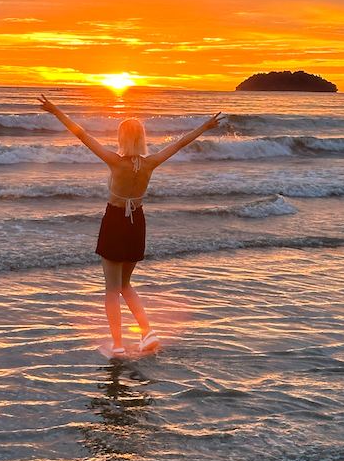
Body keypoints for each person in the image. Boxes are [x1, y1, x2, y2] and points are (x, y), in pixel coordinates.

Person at [38, 93, 221, 357]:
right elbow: (180, 143)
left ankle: (119, 344)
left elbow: (82, 135)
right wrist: (204, 126)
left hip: (115, 221)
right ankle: (147, 332)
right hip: (137, 223)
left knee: (112, 289)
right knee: (125, 285)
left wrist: (55, 111)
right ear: (142, 139)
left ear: (122, 139)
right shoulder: (151, 163)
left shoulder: (115, 161)